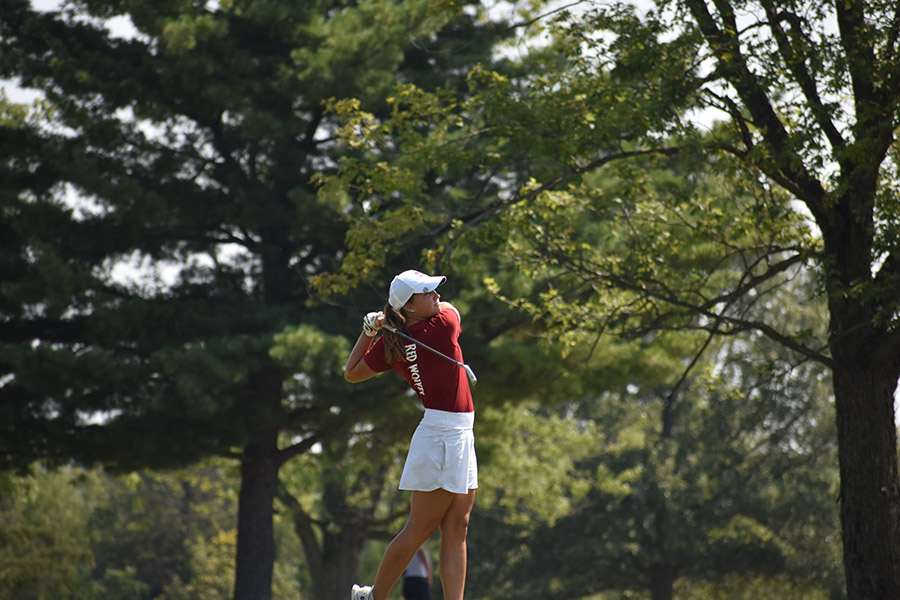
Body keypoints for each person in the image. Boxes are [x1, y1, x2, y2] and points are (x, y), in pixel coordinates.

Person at [345, 269, 477, 600]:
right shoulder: (442, 325)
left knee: (456, 528)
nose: (436, 295)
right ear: (409, 307)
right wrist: (388, 323)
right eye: (427, 292)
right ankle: (374, 597)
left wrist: (370, 329)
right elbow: (453, 309)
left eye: (434, 290)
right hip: (442, 436)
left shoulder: (396, 342)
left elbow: (352, 372)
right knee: (420, 528)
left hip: (457, 433)